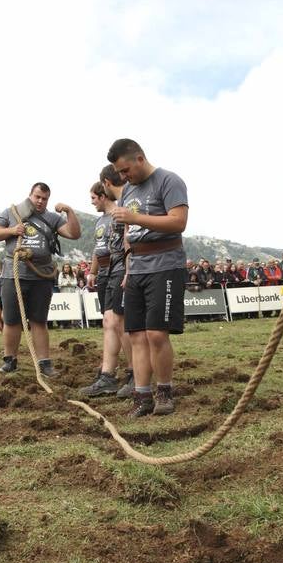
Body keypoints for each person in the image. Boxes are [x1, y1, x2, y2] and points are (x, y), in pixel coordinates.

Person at [107, 138, 188, 416]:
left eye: (125, 170)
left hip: (166, 264)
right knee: (136, 335)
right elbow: (129, 233)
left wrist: (135, 218)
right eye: (119, 172)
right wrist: (128, 269)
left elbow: (179, 222)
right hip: (138, 267)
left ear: (139, 159)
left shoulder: (169, 180)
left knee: (156, 333)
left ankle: (164, 391)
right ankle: (142, 397)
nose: (123, 176)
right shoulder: (127, 189)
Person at [0, 182, 81, 377]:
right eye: (37, 197)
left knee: (39, 320)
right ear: (30, 195)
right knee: (12, 320)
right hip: (14, 274)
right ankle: (9, 360)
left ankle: (45, 363)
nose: (40, 201)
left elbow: (74, 234)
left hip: (41, 275)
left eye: (44, 198)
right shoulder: (11, 212)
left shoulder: (53, 218)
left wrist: (70, 212)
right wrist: (12, 231)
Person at [80, 176, 134, 397]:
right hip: (103, 272)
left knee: (119, 321)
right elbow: (98, 247)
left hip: (120, 268)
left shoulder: (121, 212)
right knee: (108, 321)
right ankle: (108, 375)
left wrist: (129, 268)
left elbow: (130, 241)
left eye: (93, 198)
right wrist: (92, 272)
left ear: (103, 195)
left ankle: (134, 373)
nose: (92, 202)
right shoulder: (99, 221)